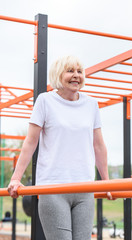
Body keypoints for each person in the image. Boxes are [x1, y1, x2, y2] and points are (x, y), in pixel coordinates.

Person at [7, 55, 112, 240]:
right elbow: (31, 142)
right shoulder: (45, 101)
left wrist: (107, 182)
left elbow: (98, 145)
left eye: (79, 71)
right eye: (70, 71)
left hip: (84, 187)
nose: (76, 75)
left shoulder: (91, 104)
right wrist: (16, 178)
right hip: (53, 187)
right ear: (58, 74)